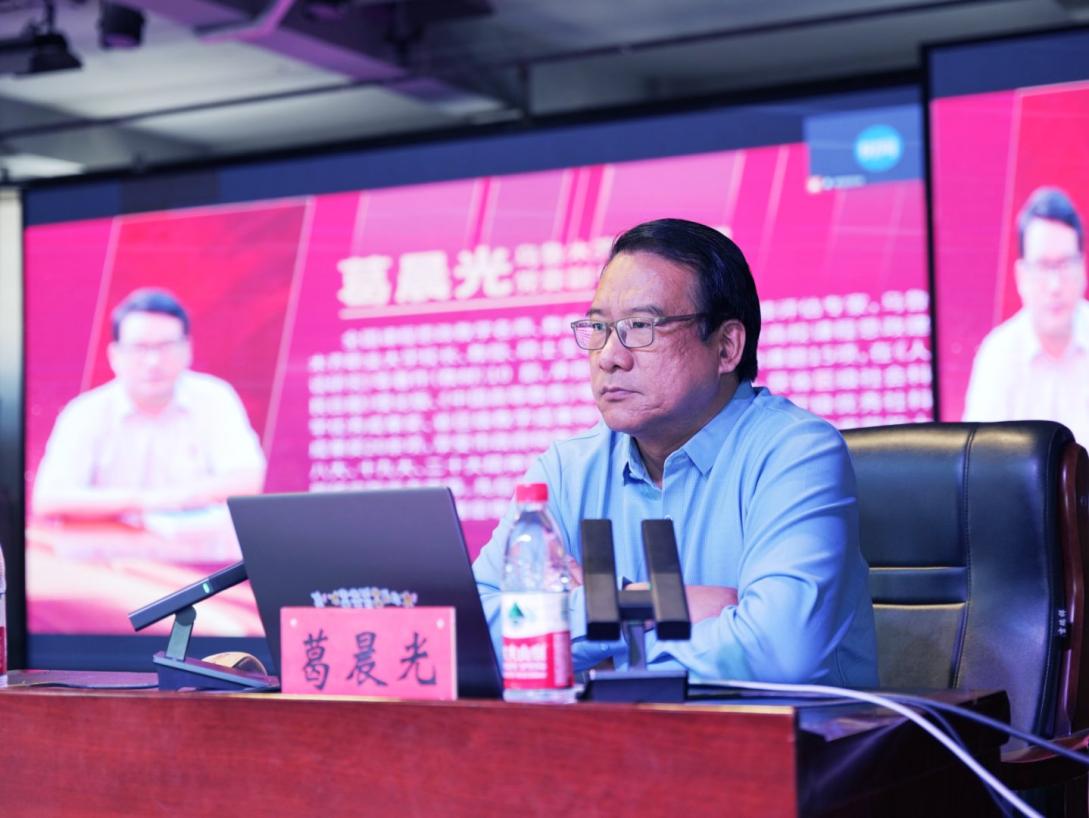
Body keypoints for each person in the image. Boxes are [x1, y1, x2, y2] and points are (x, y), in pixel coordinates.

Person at [473, 218, 878, 686]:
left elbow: (777, 654)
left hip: (779, 732)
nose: (610, 356)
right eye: (599, 327)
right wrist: (637, 603)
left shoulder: (796, 454)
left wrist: (579, 632)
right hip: (617, 731)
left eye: (640, 326)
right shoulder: (566, 470)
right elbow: (472, 632)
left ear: (726, 347)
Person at [33, 288, 266, 522]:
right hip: (110, 542)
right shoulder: (85, 412)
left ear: (187, 349)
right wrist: (143, 502)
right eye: (139, 347)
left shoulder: (215, 398)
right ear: (114, 355)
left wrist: (176, 498)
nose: (153, 362)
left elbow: (248, 480)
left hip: (197, 541)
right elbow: (48, 499)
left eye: (166, 346)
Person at [963, 186, 1089, 442]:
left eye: (1065, 264)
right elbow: (979, 459)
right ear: (1021, 276)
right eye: (1043, 266)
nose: (1055, 286)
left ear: (1083, 268)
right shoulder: (998, 355)